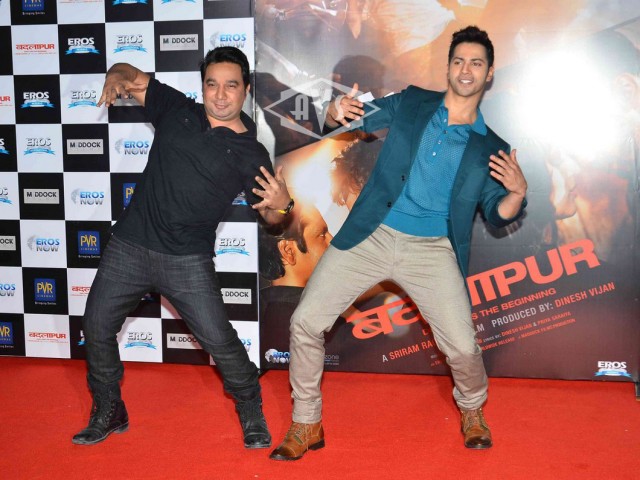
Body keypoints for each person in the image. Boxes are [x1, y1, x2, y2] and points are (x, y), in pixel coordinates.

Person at [269, 25, 528, 460]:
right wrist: (335, 110)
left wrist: (517, 193)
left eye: (476, 63)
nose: (466, 70)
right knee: (305, 323)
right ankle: (307, 421)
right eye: (459, 61)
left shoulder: (491, 146)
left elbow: (497, 209)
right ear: (449, 67)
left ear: (489, 74)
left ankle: (472, 409)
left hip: (432, 251)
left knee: (463, 347)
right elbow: (355, 119)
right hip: (371, 235)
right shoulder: (412, 101)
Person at [72, 47, 294, 448]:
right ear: (202, 86)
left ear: (245, 90)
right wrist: (115, 73)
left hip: (187, 259)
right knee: (96, 327)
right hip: (130, 245)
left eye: (231, 86)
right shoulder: (177, 109)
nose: (220, 95)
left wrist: (282, 205)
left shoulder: (252, 153)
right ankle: (109, 408)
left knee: (220, 341)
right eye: (212, 84)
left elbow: (273, 220)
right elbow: (129, 72)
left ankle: (250, 407)